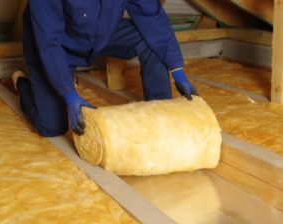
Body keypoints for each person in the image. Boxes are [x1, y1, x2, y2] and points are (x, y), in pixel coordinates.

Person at [13, 0, 198, 137]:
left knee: (150, 41)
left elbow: (152, 17)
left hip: (98, 35)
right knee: (52, 127)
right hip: (54, 45)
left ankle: (161, 112)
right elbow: (49, 44)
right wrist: (68, 93)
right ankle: (23, 84)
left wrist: (177, 69)